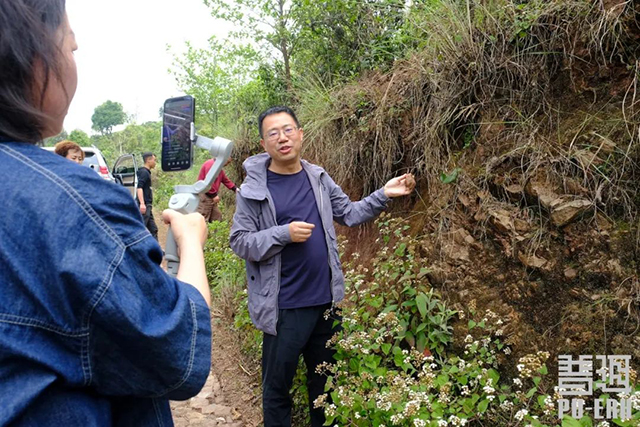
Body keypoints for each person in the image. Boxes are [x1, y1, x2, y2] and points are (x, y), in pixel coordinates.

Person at [0, 2, 212, 426]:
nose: (73, 52)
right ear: (31, 52)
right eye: (69, 45)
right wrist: (191, 241)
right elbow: (178, 354)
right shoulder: (75, 204)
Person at [229, 106, 415, 427]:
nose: (282, 138)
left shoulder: (318, 177)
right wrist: (283, 234)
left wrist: (384, 193)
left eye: (288, 130)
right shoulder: (253, 191)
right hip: (283, 308)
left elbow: (351, 213)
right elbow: (240, 242)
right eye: (273, 133)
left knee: (325, 389)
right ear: (263, 144)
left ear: (300, 134)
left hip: (326, 305)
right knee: (277, 391)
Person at [196, 157, 237, 222]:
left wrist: (236, 189)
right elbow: (207, 183)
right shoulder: (210, 165)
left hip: (211, 196)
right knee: (203, 218)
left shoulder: (218, 168)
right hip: (205, 194)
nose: (227, 164)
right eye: (228, 162)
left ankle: (217, 231)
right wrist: (214, 195)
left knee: (217, 217)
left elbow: (226, 180)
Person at [137, 152, 158, 240]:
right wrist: (142, 203)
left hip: (148, 205)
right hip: (145, 205)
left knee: (153, 229)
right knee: (140, 229)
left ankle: (156, 250)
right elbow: (139, 188)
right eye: (154, 160)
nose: (155, 162)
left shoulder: (146, 172)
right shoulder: (144, 172)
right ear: (148, 160)